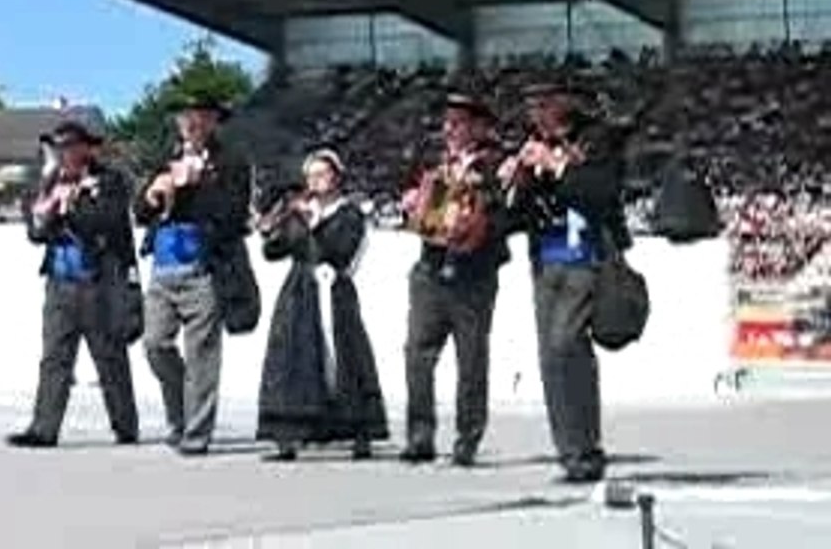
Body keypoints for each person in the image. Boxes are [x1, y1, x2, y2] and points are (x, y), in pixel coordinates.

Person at [499, 82, 630, 483]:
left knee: (566, 344)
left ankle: (586, 447)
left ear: (564, 106)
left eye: (543, 105)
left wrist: (557, 166)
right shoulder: (532, 143)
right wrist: (513, 181)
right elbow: (513, 216)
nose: (535, 114)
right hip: (546, 258)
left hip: (586, 256)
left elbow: (600, 192)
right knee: (551, 357)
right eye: (532, 107)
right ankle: (570, 451)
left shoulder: (597, 140)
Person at [7, 120, 140, 448]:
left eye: (69, 146)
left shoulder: (109, 181)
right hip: (60, 282)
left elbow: (107, 221)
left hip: (99, 283)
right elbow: (36, 231)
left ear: (85, 148)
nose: (62, 153)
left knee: (109, 357)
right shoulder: (49, 181)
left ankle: (125, 424)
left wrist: (73, 206)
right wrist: (49, 208)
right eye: (58, 147)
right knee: (55, 357)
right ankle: (44, 428)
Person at [134, 95, 251, 456]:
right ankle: (181, 412)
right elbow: (139, 212)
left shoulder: (231, 163)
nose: (191, 124)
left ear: (213, 122)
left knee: (202, 354)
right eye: (185, 118)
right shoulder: (165, 159)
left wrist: (197, 186)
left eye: (199, 117)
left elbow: (234, 216)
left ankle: (196, 433)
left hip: (204, 268)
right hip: (164, 267)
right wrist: (152, 195)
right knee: (155, 344)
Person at [255, 149, 388, 461]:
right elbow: (273, 252)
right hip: (299, 290)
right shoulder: (300, 211)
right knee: (292, 356)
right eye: (310, 175)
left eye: (321, 174)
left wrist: (310, 225)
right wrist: (278, 226)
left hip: (334, 290)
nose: (314, 181)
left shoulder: (349, 214)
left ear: (336, 177)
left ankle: (358, 429)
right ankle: (288, 434)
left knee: (345, 356)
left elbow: (339, 252)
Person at [400, 93, 508, 467]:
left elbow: (504, 215)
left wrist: (477, 217)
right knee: (417, 352)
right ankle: (420, 434)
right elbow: (414, 203)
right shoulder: (433, 161)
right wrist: (410, 203)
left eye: (458, 123)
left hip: (473, 273)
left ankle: (468, 438)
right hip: (431, 267)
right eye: (447, 122)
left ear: (479, 127)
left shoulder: (495, 165)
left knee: (471, 358)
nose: (449, 130)